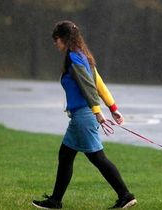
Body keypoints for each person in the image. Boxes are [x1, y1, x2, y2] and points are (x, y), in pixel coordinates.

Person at [32, 20, 137, 209]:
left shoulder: (74, 58)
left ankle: (125, 195)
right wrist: (113, 108)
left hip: (84, 116)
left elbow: (89, 86)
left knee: (98, 158)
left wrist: (98, 112)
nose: (55, 43)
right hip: (81, 116)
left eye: (56, 39)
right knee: (65, 155)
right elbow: (100, 85)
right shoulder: (84, 56)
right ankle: (55, 201)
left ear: (63, 38)